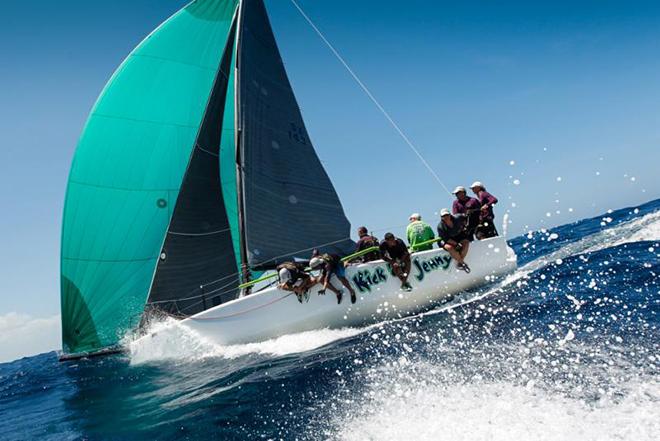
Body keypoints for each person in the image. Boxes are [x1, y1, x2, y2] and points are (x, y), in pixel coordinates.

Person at [437, 208, 471, 273]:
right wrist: (456, 244)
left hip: (458, 236)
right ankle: (463, 263)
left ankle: (459, 263)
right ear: (441, 217)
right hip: (447, 240)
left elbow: (467, 217)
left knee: (466, 242)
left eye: (447, 215)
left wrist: (465, 225)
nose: (446, 217)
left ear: (450, 215)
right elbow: (446, 239)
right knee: (449, 247)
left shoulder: (458, 217)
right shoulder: (440, 226)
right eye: (443, 216)